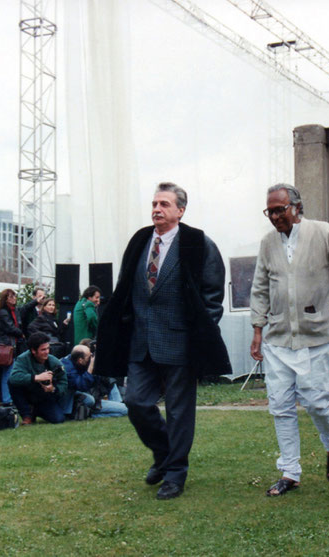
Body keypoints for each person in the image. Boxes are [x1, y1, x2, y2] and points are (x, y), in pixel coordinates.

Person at [94, 181, 230, 500]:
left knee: (180, 411)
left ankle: (175, 474)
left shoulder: (197, 243)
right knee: (135, 402)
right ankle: (164, 455)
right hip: (141, 342)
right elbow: (125, 286)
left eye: (164, 204)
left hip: (181, 342)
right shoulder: (141, 240)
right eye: (155, 203)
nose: (157, 209)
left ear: (180, 211)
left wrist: (202, 332)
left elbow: (213, 293)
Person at [250, 183, 329, 496]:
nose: (275, 216)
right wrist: (257, 328)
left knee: (317, 401)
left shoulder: (323, 233)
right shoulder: (267, 243)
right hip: (278, 338)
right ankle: (290, 472)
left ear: (297, 206)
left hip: (317, 334)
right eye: (270, 211)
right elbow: (261, 287)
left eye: (280, 209)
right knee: (280, 406)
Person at [8, 332, 68, 425]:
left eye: (48, 348)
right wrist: (36, 377)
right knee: (12, 384)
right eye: (43, 350)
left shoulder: (54, 362)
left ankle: (36, 411)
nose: (47, 352)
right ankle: (26, 415)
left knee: (58, 419)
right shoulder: (23, 359)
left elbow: (64, 383)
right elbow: (14, 378)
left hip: (45, 396)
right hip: (28, 392)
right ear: (33, 350)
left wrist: (53, 389)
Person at [61, 345, 127, 418]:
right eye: (89, 357)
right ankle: (86, 413)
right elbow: (82, 385)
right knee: (125, 410)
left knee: (122, 412)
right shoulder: (66, 368)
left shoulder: (79, 362)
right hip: (79, 402)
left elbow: (101, 380)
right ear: (80, 360)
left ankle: (88, 413)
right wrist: (91, 367)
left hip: (92, 398)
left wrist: (100, 365)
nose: (91, 359)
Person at [0, 289, 25, 404]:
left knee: (11, 372)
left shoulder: (15, 311)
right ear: (5, 299)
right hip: (7, 345)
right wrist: (21, 333)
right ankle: (7, 399)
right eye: (11, 297)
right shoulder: (3, 312)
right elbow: (9, 328)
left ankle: (10, 398)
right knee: (7, 373)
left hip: (14, 344)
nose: (14, 299)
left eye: (14, 296)